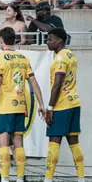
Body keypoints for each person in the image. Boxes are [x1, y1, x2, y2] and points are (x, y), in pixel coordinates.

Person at [0, 27, 46, 182]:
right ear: (14, 40)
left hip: (5, 106)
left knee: (3, 143)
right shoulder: (23, 58)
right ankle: (20, 178)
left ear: (1, 40)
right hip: (20, 105)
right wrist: (41, 104)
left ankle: (5, 178)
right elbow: (33, 82)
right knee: (19, 144)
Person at [44, 28, 85, 182]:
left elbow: (57, 84)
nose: (48, 42)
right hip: (74, 102)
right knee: (74, 142)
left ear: (60, 40)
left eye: (50, 39)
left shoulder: (60, 58)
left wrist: (50, 108)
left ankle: (48, 179)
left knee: (54, 141)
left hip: (62, 104)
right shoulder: (71, 55)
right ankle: (81, 178)